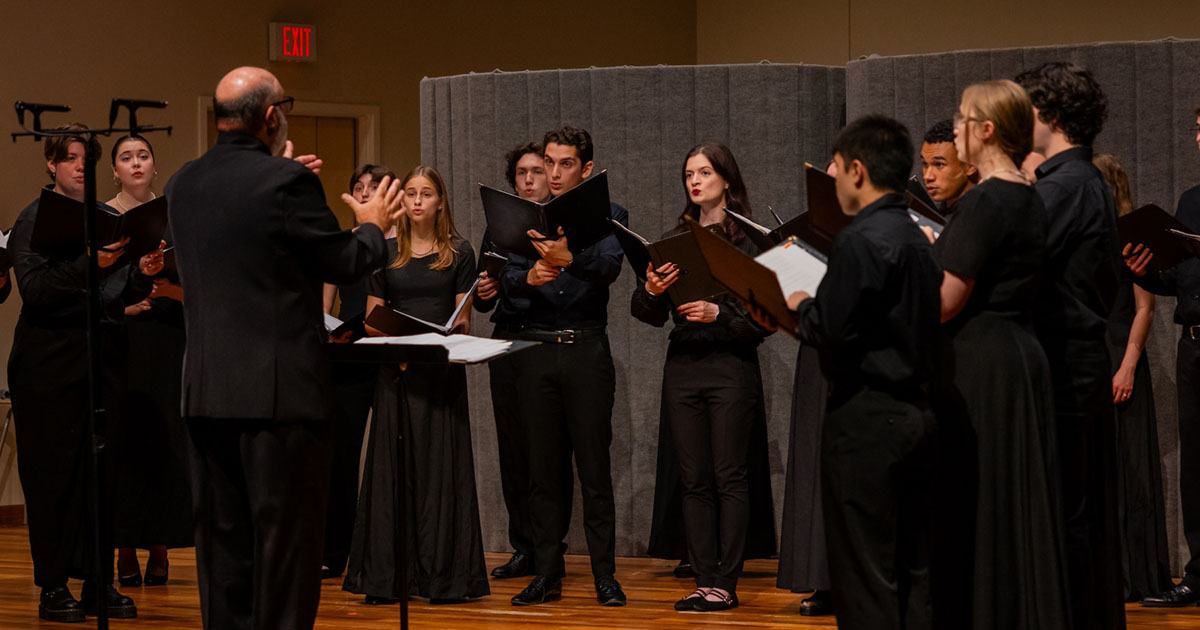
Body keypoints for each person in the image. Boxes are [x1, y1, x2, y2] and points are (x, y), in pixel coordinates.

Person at [165, 66, 402, 630]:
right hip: (279, 400)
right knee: (287, 549)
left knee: (224, 550)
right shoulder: (285, 184)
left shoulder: (183, 183)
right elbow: (345, 261)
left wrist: (281, 176)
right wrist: (372, 226)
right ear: (272, 117)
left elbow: (243, 243)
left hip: (206, 392)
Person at [755, 115, 941, 629]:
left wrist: (797, 302)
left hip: (867, 421)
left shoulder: (859, 240)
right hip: (919, 417)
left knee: (865, 577)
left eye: (836, 166)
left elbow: (830, 329)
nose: (831, 177)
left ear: (858, 170)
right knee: (914, 572)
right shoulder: (920, 235)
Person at [9, 124, 164, 622]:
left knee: (103, 476)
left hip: (101, 358)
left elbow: (112, 294)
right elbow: (35, 290)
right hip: (48, 362)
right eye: (70, 158)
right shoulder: (34, 217)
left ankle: (100, 582)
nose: (80, 166)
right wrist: (89, 264)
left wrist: (142, 272)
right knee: (53, 477)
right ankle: (53, 585)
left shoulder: (106, 219)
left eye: (87, 159)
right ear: (51, 164)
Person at [931, 79, 1070, 630]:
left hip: (982, 363)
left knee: (983, 498)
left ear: (986, 130)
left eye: (961, 120)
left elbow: (946, 300)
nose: (956, 130)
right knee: (1011, 503)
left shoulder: (986, 199)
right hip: (1017, 355)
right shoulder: (1027, 192)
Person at [630, 141, 770, 612]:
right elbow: (645, 312)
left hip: (730, 365)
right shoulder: (675, 238)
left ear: (726, 179)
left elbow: (764, 321)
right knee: (693, 478)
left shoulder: (749, 240)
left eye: (705, 172)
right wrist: (652, 290)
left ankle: (725, 582)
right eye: (689, 173)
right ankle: (703, 577)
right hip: (684, 365)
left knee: (729, 475)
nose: (695, 181)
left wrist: (718, 313)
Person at [343, 165, 489, 604]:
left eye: (426, 193)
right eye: (410, 193)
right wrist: (398, 333)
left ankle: (444, 578)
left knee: (441, 471)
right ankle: (387, 580)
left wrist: (446, 333)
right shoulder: (385, 252)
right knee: (393, 469)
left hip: (440, 372)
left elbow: (463, 320)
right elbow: (372, 319)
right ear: (402, 201)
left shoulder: (460, 252)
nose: (418, 200)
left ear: (440, 201)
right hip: (397, 369)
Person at [1015, 62, 1125, 630]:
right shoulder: (1081, 181)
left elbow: (1010, 261)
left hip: (1064, 367)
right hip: (1076, 361)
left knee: (1064, 518)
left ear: (1048, 115)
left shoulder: (1065, 187)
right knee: (1073, 515)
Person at [502, 126, 627, 607]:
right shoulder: (523, 216)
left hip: (585, 348)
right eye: (549, 162)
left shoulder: (609, 215)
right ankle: (546, 574)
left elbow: (609, 268)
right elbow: (505, 274)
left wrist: (568, 259)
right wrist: (529, 277)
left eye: (565, 164)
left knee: (594, 469)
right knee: (542, 471)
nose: (553, 173)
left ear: (586, 169)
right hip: (535, 349)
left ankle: (604, 576)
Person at [474, 142, 574, 580]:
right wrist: (486, 290)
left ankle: (552, 548)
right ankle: (524, 547)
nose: (530, 179)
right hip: (507, 341)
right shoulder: (499, 226)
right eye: (521, 173)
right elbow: (484, 294)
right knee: (513, 449)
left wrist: (515, 282)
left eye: (537, 171)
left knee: (549, 452)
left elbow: (565, 284)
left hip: (547, 340)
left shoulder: (563, 226)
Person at [105, 134, 191, 589]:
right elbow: (91, 283)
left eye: (143, 156)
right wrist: (124, 302)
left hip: (168, 335)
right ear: (114, 170)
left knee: (165, 440)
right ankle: (123, 546)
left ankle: (160, 544)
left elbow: (200, 281)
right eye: (126, 157)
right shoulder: (103, 217)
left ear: (154, 166)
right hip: (122, 340)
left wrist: (171, 288)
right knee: (125, 441)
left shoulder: (175, 217)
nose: (136, 163)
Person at [1123, 103, 1200, 608]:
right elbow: (1177, 280)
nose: (1198, 139)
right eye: (1198, 129)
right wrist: (1145, 272)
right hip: (1193, 345)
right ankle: (1199, 574)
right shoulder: (1191, 201)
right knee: (1195, 466)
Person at [1092, 153, 1173, 603]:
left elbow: (1145, 309)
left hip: (1123, 357)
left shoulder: (1133, 238)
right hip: (1092, 356)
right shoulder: (1085, 238)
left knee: (1131, 468)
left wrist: (1127, 366)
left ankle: (1135, 575)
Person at [319, 163, 398, 581]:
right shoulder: (342, 245)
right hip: (347, 357)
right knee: (341, 457)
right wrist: (328, 330)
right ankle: (335, 550)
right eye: (358, 187)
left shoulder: (404, 244)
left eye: (374, 187)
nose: (365, 193)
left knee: (392, 454)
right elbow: (323, 305)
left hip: (390, 356)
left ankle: (388, 550)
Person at [775, 159, 837, 618]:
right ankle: (822, 579)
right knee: (815, 464)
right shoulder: (815, 232)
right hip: (818, 353)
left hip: (861, 354)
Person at [920, 119, 977, 214]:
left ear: (970, 166)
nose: (927, 176)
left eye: (939, 164)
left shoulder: (984, 216)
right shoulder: (944, 211)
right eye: (925, 164)